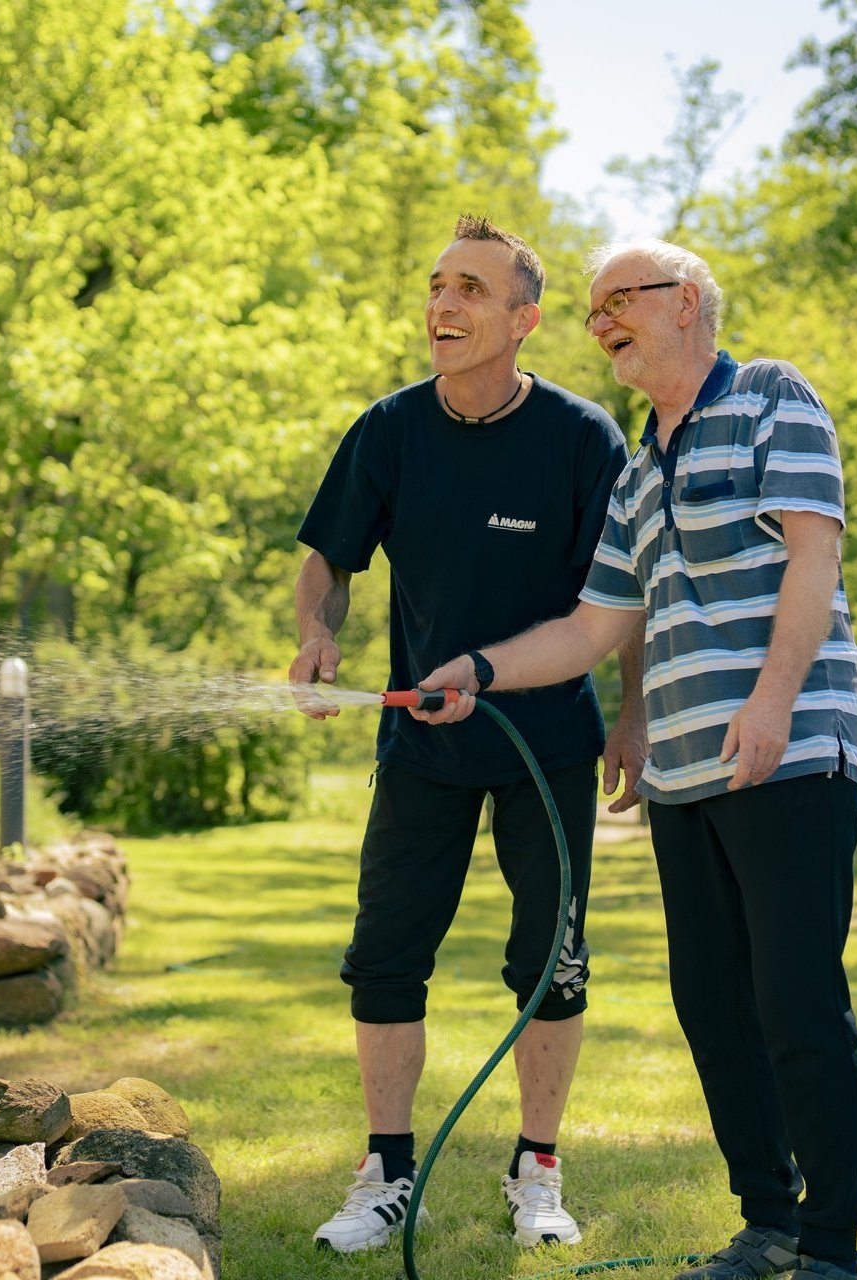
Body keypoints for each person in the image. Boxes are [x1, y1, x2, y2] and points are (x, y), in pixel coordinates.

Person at [416, 238, 857, 1280]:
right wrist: (479, 667)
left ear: (690, 303)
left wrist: (767, 704)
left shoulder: (770, 398)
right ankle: (769, 1223)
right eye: (591, 309)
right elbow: (588, 628)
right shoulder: (640, 464)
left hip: (789, 750)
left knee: (797, 998)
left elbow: (814, 555)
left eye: (623, 298)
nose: (603, 319)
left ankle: (833, 1250)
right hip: (682, 772)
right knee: (712, 1002)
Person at [289, 214, 644, 1254]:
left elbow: (619, 601)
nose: (443, 304)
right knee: (385, 957)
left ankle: (537, 1164)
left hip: (551, 745)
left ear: (525, 319)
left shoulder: (584, 439)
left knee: (553, 959)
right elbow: (330, 560)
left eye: (472, 290)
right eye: (438, 286)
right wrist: (315, 632)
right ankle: (387, 1170)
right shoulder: (389, 428)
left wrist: (632, 710)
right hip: (422, 745)